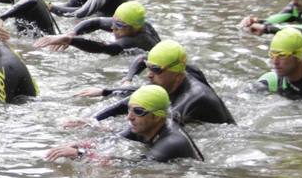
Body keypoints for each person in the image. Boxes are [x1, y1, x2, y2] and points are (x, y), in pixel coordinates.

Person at [47, 84, 203, 164]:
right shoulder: (145, 124)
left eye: (138, 111)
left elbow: (137, 166)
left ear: (157, 117)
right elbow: (113, 139)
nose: (129, 117)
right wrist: (80, 145)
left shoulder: (173, 141)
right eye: (129, 110)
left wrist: (80, 155)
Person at [88, 40, 233, 126]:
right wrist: (92, 120)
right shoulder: (173, 74)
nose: (149, 75)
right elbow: (132, 100)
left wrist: (108, 132)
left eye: (156, 70)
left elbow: (158, 126)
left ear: (176, 73)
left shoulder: (194, 96)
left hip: (226, 136)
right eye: (148, 67)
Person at [34, 0, 159, 57]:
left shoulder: (138, 40)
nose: (112, 27)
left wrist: (69, 40)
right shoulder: (131, 25)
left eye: (119, 25)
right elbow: (96, 22)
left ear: (135, 28)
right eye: (113, 22)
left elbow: (105, 48)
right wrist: (72, 33)